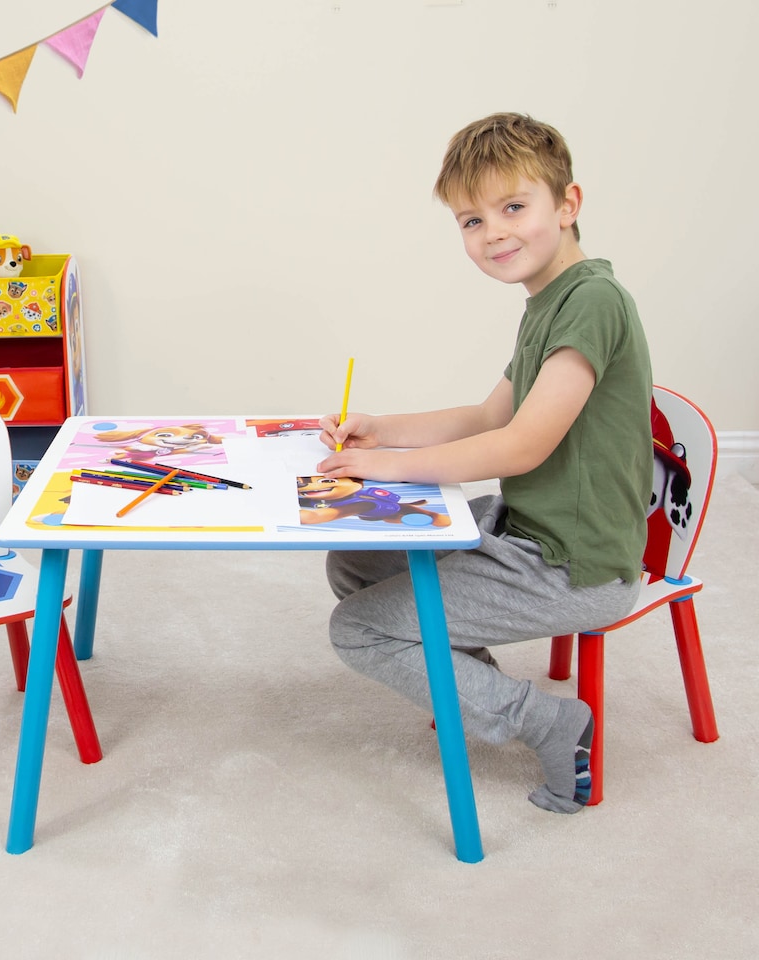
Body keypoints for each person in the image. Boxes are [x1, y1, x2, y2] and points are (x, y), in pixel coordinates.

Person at [316, 112, 652, 814]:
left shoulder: (592, 301)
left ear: (568, 204)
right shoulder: (549, 302)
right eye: (472, 221)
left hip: (573, 564)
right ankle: (469, 686)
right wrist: (381, 432)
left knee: (359, 628)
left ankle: (549, 722)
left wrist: (382, 469)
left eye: (513, 207)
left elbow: (522, 445)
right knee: (355, 558)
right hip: (528, 529)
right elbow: (490, 415)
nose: (493, 232)